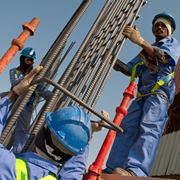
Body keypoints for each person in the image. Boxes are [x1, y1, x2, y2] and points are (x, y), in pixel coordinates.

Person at [104, 12, 180, 177]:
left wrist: (139, 40)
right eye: (157, 24)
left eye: (163, 25)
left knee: (150, 128)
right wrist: (111, 57)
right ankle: (113, 168)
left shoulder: (172, 44)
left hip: (159, 95)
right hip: (141, 96)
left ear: (170, 30)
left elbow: (164, 58)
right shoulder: (145, 51)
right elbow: (129, 69)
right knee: (126, 129)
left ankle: (136, 170)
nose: (159, 27)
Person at [0, 66, 107, 180]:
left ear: (43, 130)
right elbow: (75, 169)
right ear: (70, 155)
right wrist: (86, 134)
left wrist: (14, 94)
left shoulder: (6, 164)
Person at [8, 47, 52, 154]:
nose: (30, 62)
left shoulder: (35, 77)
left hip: (27, 106)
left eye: (32, 60)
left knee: (22, 132)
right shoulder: (15, 71)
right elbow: (16, 83)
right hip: (13, 102)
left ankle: (16, 155)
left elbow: (42, 89)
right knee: (5, 124)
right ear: (22, 59)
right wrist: (31, 75)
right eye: (28, 60)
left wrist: (54, 96)